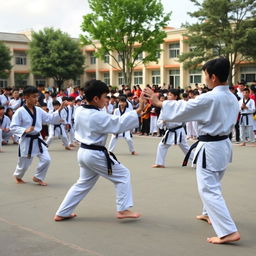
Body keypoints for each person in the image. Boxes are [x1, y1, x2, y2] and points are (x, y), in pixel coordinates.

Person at [143, 57, 240, 244]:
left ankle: (228, 231)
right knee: (214, 183)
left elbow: (185, 108)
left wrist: (159, 102)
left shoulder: (211, 97)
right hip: (222, 145)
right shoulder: (231, 96)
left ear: (212, 76)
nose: (204, 78)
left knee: (208, 189)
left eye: (204, 75)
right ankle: (207, 213)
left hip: (211, 147)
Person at [54, 79, 144, 221]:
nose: (106, 100)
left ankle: (62, 212)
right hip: (94, 154)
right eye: (104, 97)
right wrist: (139, 110)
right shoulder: (97, 115)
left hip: (83, 152)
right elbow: (118, 124)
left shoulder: (79, 110)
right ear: (96, 99)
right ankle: (123, 209)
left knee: (83, 183)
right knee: (123, 175)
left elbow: (114, 121)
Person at [10, 86, 67, 186]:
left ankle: (38, 177)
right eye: (33, 96)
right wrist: (25, 130)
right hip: (26, 140)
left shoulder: (38, 110)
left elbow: (50, 119)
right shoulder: (20, 111)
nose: (36, 99)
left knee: (46, 159)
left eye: (37, 96)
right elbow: (13, 126)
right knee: (24, 164)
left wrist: (59, 110)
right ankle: (18, 176)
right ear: (26, 97)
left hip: (38, 138)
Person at [152, 89, 192, 168]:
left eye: (170, 95)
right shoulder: (166, 106)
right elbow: (161, 118)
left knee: (185, 147)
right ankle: (160, 163)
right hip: (170, 131)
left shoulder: (179, 104)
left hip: (179, 131)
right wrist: (163, 122)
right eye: (168, 95)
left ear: (176, 96)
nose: (168, 96)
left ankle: (198, 161)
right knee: (162, 145)